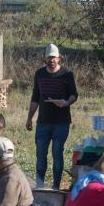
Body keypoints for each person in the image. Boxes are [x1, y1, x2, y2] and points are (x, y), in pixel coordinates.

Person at [25, 44, 78, 190]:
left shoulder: (67, 74)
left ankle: (56, 187)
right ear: (45, 59)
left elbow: (74, 94)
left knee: (57, 154)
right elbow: (35, 97)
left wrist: (66, 102)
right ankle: (40, 187)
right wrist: (29, 118)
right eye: (49, 57)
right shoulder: (39, 74)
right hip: (43, 122)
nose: (51, 60)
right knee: (40, 156)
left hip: (61, 122)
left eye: (54, 57)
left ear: (59, 58)